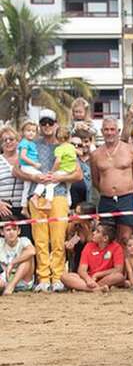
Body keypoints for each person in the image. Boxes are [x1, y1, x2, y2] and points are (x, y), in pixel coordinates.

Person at [13, 109, 84, 293]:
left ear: (55, 124)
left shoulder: (65, 145)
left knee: (58, 238)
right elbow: (16, 170)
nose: (46, 126)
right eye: (43, 123)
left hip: (59, 194)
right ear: (39, 125)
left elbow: (78, 174)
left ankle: (58, 277)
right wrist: (36, 178)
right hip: (37, 196)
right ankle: (43, 277)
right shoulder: (31, 143)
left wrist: (58, 178)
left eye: (49, 123)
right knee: (41, 239)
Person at [92, 117, 133, 246]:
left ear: (118, 131)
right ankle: (108, 266)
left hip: (126, 198)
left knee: (125, 238)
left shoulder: (130, 150)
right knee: (104, 238)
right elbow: (95, 179)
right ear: (101, 131)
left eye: (112, 129)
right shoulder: (96, 154)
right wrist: (106, 189)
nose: (109, 132)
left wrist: (125, 187)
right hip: (106, 200)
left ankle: (123, 266)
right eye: (106, 129)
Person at [61, 223, 126, 293]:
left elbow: (118, 269)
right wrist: (88, 279)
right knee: (64, 277)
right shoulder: (89, 246)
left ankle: (89, 288)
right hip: (89, 278)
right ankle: (96, 289)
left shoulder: (116, 247)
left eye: (97, 231)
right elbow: (81, 270)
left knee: (119, 276)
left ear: (105, 238)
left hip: (105, 278)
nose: (93, 233)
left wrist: (98, 274)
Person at [0, 125, 28, 238]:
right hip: (4, 210)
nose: (8, 142)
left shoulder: (26, 158)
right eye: (4, 140)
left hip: (24, 209)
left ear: (17, 140)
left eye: (11, 139)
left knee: (26, 241)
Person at [0, 219, 35, 295]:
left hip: (23, 281)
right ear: (2, 232)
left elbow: (32, 251)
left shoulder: (24, 240)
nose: (11, 232)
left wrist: (12, 263)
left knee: (28, 258)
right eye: (8, 230)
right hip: (5, 280)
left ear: (18, 231)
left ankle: (11, 286)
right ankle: (7, 286)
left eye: (14, 229)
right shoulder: (1, 242)